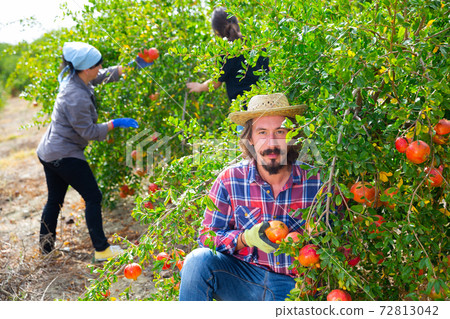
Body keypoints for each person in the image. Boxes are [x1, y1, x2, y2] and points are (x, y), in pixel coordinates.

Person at [179, 93, 323, 301]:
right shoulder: (230, 180)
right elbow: (206, 237)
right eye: (262, 132)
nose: (271, 142)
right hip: (241, 280)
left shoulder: (316, 181)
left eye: (280, 132)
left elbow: (340, 243)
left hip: (293, 286)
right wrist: (244, 238)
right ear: (250, 139)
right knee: (197, 261)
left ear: (293, 137)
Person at [36, 42, 152, 262]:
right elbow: (88, 131)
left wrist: (131, 66)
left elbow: (103, 76)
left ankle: (45, 251)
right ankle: (102, 250)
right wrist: (114, 124)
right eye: (97, 66)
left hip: (50, 150)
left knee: (54, 201)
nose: (100, 68)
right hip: (63, 154)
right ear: (87, 68)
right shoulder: (74, 95)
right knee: (93, 196)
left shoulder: (75, 76)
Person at [186, 7, 270, 110]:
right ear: (236, 21)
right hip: (267, 103)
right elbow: (268, 70)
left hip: (245, 109)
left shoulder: (224, 51)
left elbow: (216, 82)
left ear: (217, 31)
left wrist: (200, 86)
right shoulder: (256, 42)